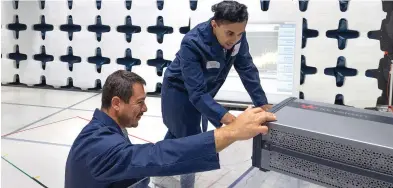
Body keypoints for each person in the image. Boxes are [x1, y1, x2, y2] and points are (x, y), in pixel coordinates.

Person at [64, 70, 276, 188]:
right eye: (139, 102)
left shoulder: (106, 128)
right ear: (117, 103)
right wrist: (230, 132)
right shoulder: (99, 146)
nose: (145, 108)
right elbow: (157, 156)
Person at [161, 1, 272, 186]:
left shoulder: (237, 37)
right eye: (229, 33)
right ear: (214, 24)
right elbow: (195, 92)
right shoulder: (192, 42)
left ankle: (158, 171)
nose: (234, 39)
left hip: (204, 92)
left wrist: (262, 103)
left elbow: (247, 69)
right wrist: (231, 121)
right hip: (179, 92)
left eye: (240, 34)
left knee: (176, 135)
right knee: (192, 143)